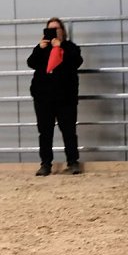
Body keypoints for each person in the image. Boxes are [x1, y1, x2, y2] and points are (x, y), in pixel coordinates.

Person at [26, 17, 83, 176]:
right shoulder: (42, 49)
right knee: (45, 132)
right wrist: (39, 48)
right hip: (43, 97)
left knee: (69, 131)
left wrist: (60, 48)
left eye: (57, 28)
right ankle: (45, 164)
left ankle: (72, 162)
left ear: (62, 31)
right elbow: (31, 63)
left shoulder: (70, 48)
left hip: (66, 97)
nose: (54, 32)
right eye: (51, 29)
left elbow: (77, 62)